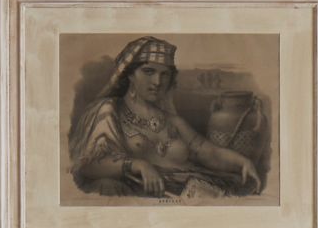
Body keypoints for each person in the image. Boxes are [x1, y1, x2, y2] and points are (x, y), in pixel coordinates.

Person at [67, 37, 263, 200]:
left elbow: (208, 152)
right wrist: (139, 165)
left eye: (164, 74)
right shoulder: (108, 111)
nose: (158, 81)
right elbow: (88, 165)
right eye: (149, 71)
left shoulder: (173, 121)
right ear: (130, 75)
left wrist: (242, 162)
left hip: (195, 193)